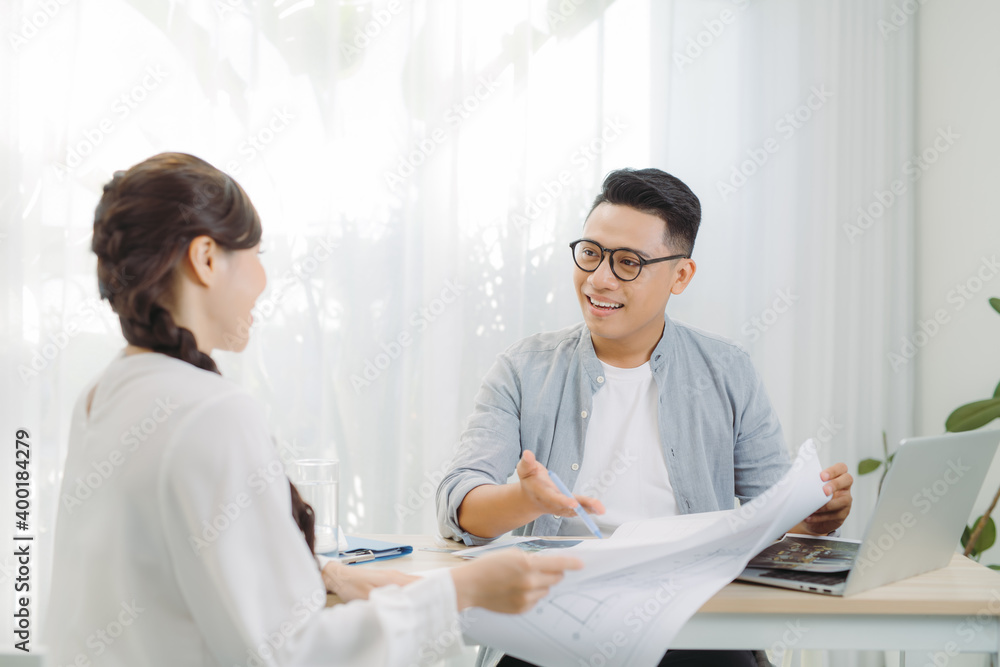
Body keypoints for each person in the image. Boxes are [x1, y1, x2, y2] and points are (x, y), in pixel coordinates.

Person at [44, 152, 582, 667]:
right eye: (256, 254)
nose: (262, 280)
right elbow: (294, 652)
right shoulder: (209, 414)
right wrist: (462, 589)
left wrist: (324, 573)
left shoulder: (102, 395)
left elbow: (166, 573)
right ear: (206, 259)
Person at [436, 168, 854, 667]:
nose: (599, 279)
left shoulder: (727, 370)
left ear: (680, 276)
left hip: (693, 619)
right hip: (558, 616)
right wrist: (521, 500)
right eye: (590, 252)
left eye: (628, 262)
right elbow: (457, 507)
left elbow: (774, 514)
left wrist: (813, 512)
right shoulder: (524, 368)